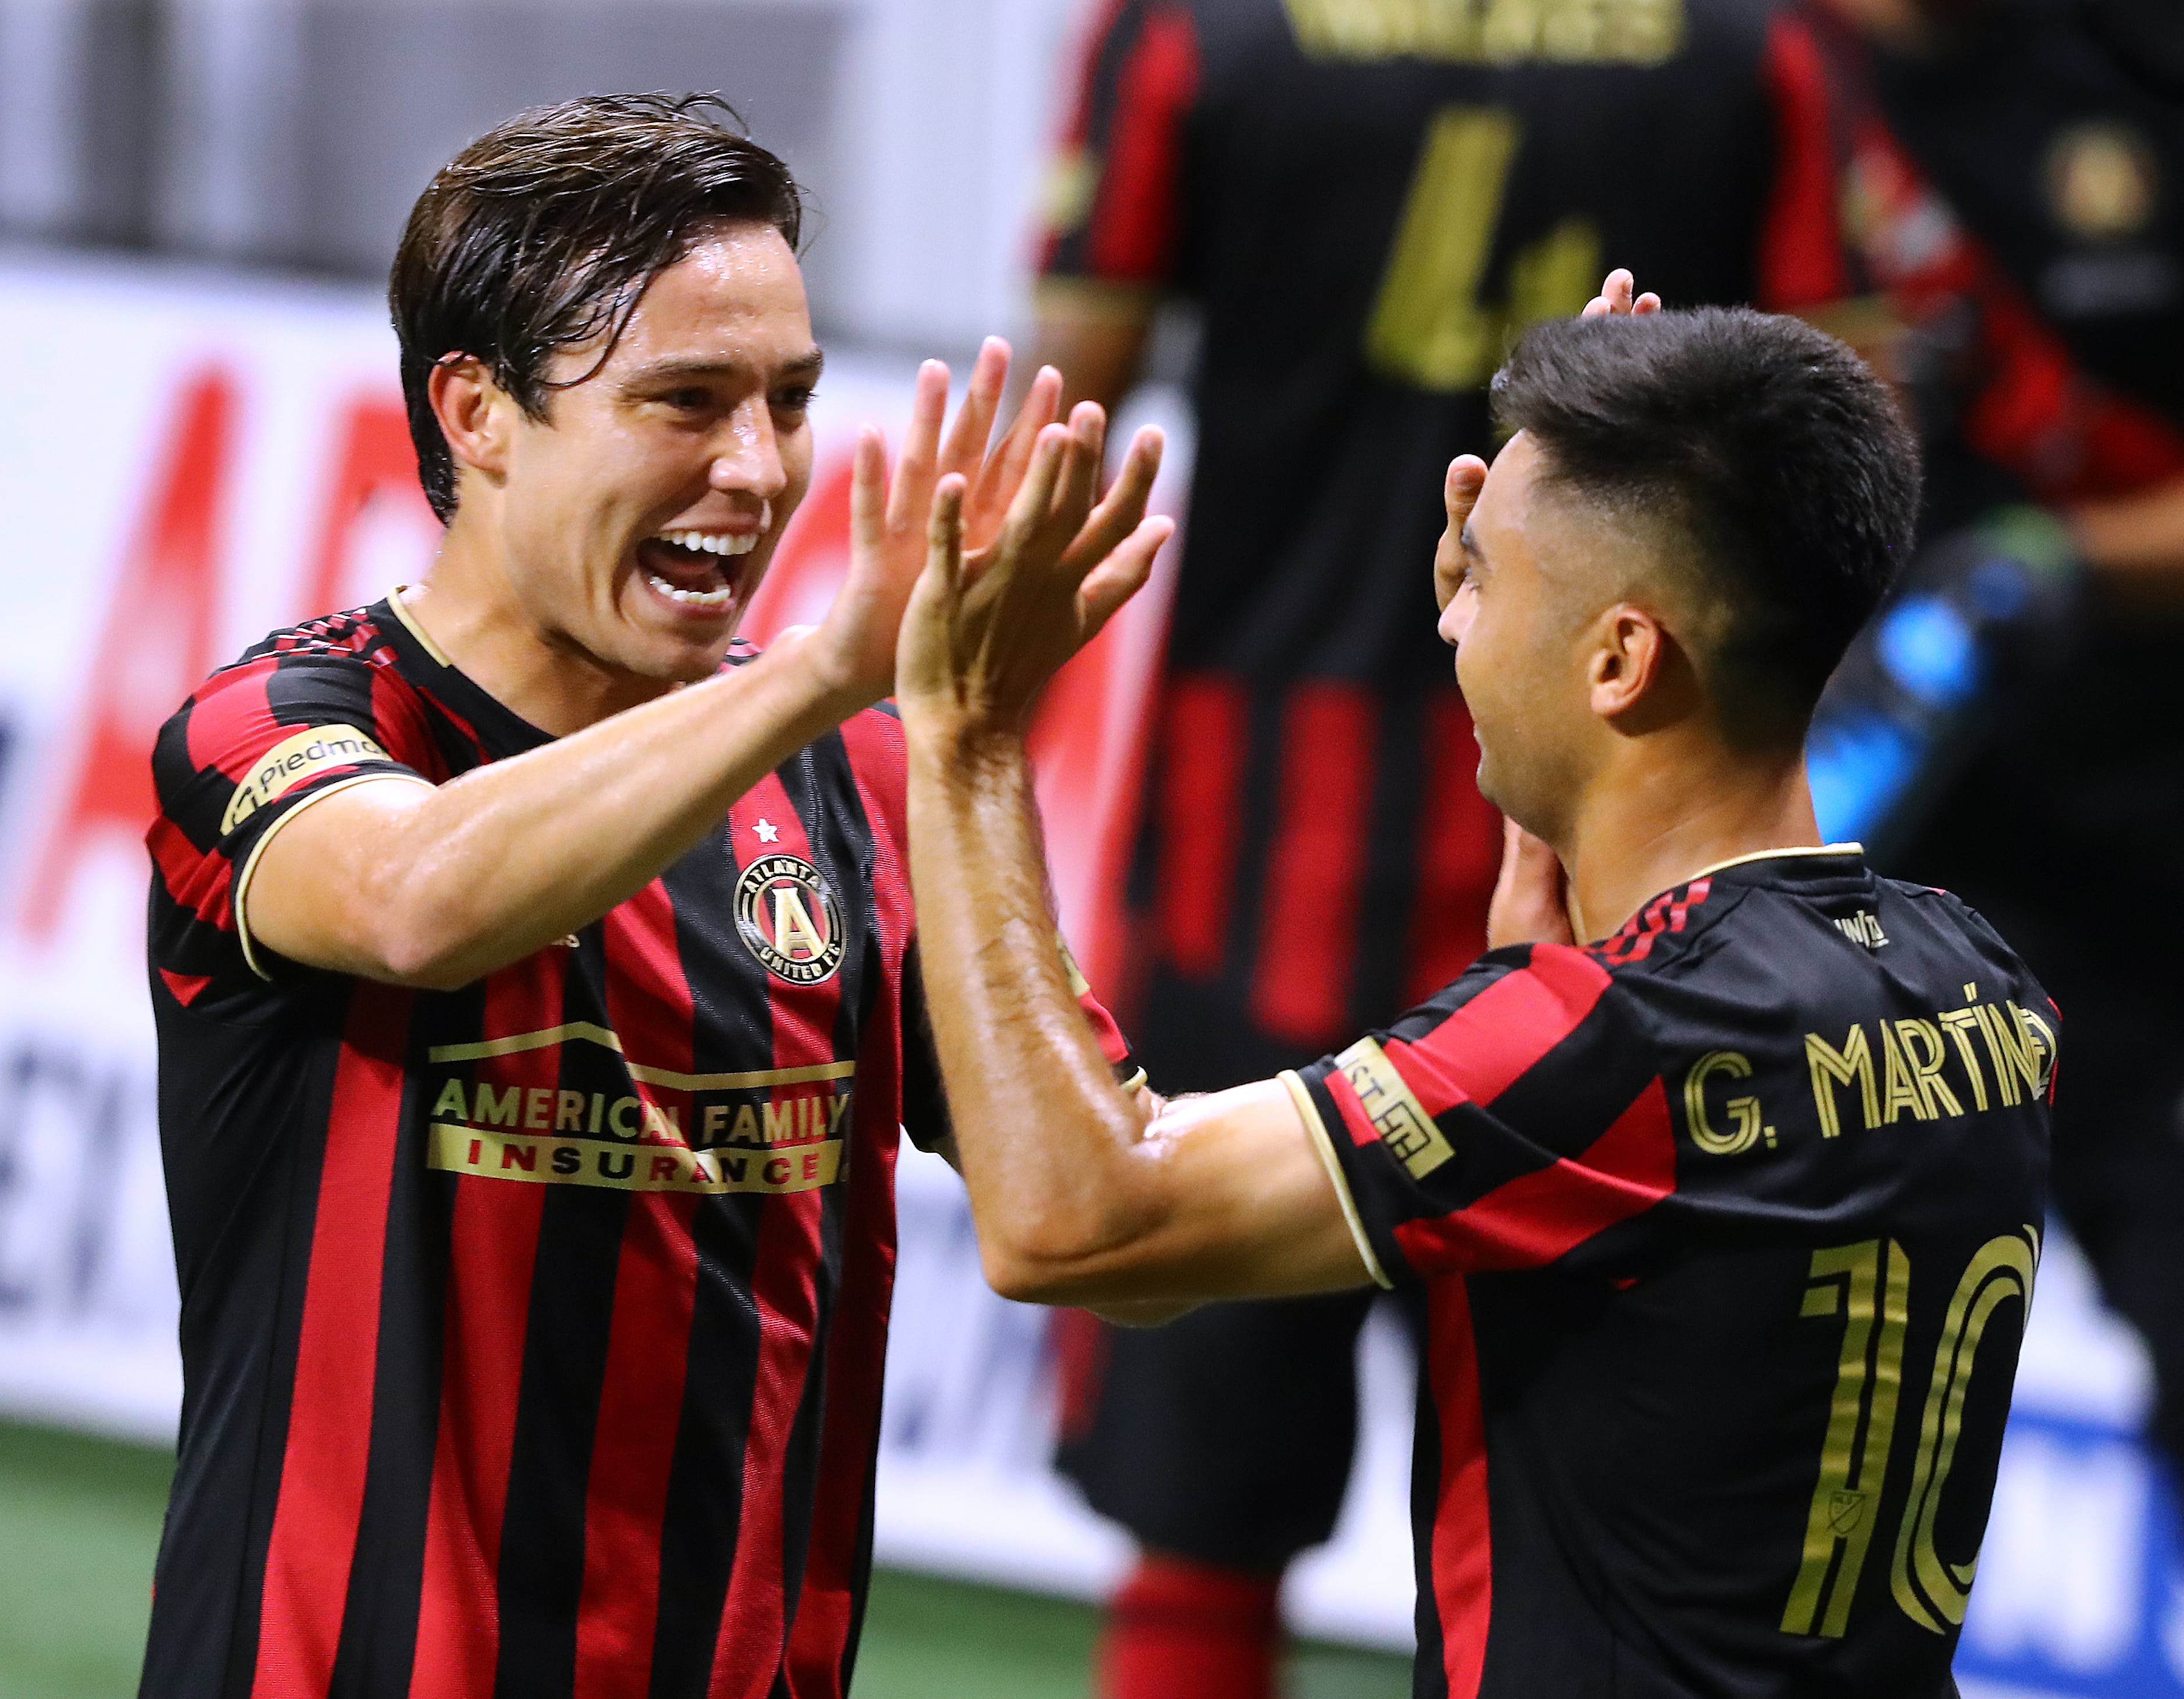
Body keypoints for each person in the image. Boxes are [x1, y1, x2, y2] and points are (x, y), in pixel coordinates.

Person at [138, 93, 1161, 1698]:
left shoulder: (869, 777)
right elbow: (414, 901)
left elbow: (1101, 1209)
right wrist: (827, 671)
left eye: (790, 401)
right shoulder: (275, 727)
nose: (757, 470)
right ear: (478, 411)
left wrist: (1501, 1042)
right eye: (684, 401)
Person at [894, 292, 2058, 1695]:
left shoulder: (1609, 1048)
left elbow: (1076, 1218)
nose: (1449, 619)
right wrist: (1557, 520)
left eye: (1483, 579)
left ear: (1620, 661)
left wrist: (969, 738)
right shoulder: (1979, 985)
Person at [1029, 2, 1840, 1682]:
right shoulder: (1754, 44)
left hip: (1265, 847)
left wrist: (967, 739)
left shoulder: (1194, 32)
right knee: (1616, 1513)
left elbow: (1065, 408)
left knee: (1204, 1498)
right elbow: (1848, 431)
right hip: (1631, 845)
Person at [1761, 0, 2184, 1475]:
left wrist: (2068, 567)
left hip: (2133, 829)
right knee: (1782, 1371)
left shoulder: (2132, 64)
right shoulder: (1754, 71)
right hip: (1839, 861)